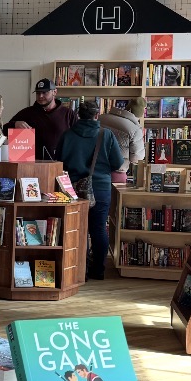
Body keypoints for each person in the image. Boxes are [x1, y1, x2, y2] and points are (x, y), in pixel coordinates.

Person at [57, 102, 124, 280]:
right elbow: (117, 164)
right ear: (97, 116)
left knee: (77, 229)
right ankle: (98, 270)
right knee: (99, 229)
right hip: (100, 188)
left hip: (72, 189)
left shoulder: (67, 135)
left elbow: (58, 163)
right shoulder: (106, 134)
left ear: (78, 115)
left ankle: (79, 270)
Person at [5, 79, 76, 160]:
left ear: (54, 92)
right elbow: (3, 131)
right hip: (32, 166)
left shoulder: (68, 114)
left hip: (60, 166)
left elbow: (77, 139)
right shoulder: (27, 113)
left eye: (44, 92)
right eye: (38, 93)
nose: (40, 96)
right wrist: (15, 124)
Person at [100, 97, 146, 172]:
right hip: (117, 172)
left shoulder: (101, 118)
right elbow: (137, 158)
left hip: (95, 170)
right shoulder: (135, 130)